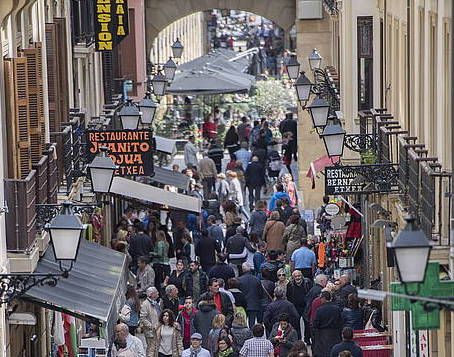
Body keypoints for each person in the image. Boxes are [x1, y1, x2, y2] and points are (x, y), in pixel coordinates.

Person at [312, 291, 343, 357]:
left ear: (324, 298)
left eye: (321, 298)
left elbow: (316, 324)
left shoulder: (319, 310)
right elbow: (340, 322)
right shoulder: (337, 309)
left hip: (323, 335)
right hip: (335, 334)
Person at [286, 270, 312, 341]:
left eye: (299, 276)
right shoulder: (290, 284)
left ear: (302, 276)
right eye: (296, 276)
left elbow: (310, 293)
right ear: (293, 277)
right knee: (296, 323)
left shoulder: (307, 283)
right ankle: (298, 339)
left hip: (305, 306)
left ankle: (307, 339)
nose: (297, 278)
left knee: (307, 323)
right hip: (295, 307)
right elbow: (288, 296)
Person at [238, 262, 264, 328]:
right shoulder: (257, 280)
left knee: (242, 323)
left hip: (242, 305)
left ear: (243, 270)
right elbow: (261, 294)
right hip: (254, 304)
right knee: (252, 323)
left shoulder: (239, 280)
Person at [140, 287, 161, 357]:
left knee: (155, 349)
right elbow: (143, 318)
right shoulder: (145, 304)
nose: (158, 293)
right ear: (151, 294)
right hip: (151, 332)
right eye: (156, 292)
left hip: (157, 330)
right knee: (151, 349)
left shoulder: (155, 303)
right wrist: (152, 326)